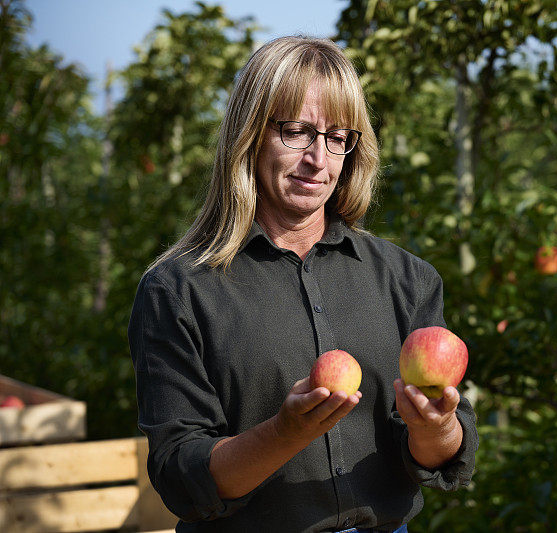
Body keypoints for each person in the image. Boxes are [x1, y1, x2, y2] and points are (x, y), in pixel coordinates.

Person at [128, 35, 478, 532]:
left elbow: (446, 454)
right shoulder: (179, 290)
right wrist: (284, 433)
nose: (320, 159)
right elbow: (180, 476)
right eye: (297, 131)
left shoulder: (407, 279)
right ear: (249, 134)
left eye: (338, 138)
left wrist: (437, 427)